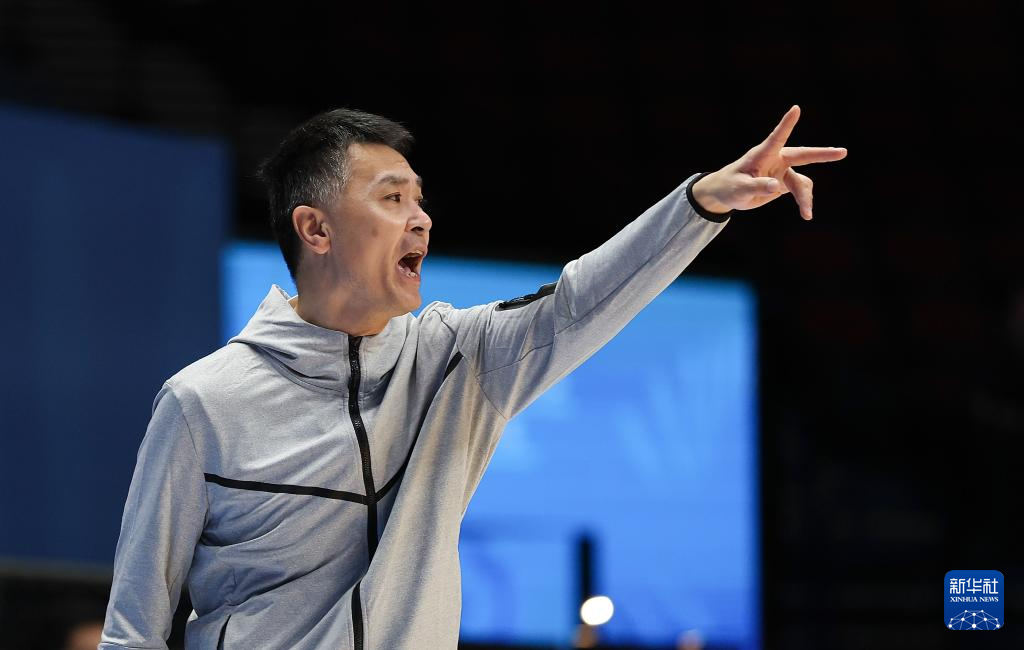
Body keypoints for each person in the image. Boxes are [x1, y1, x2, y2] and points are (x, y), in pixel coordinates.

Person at [100, 105, 845, 649]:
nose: (421, 218)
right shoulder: (203, 401)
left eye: (419, 198)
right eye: (392, 197)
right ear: (315, 228)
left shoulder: (457, 359)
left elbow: (579, 302)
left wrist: (701, 204)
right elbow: (134, 627)